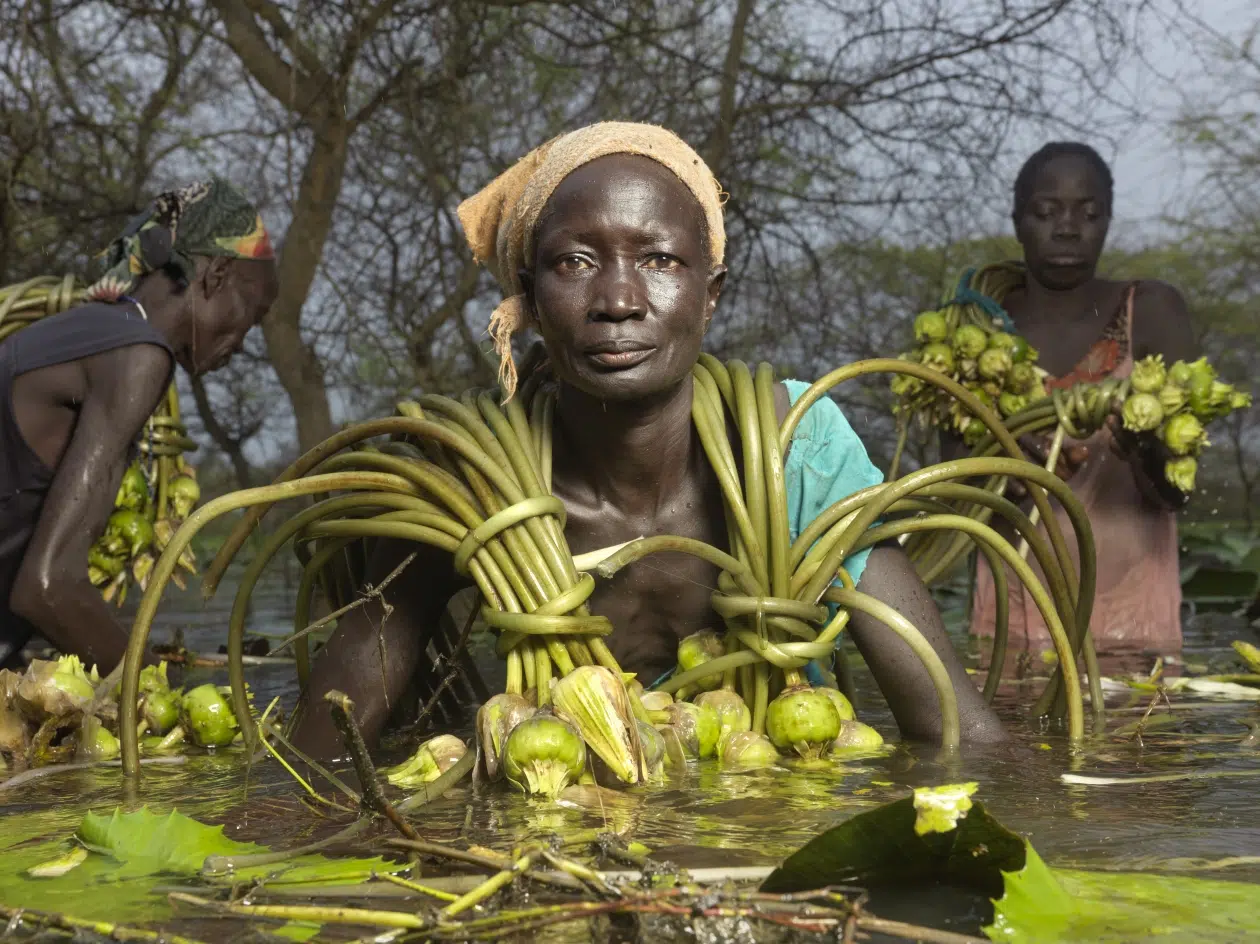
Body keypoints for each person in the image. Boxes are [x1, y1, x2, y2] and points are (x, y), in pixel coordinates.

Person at [290, 122, 1004, 758]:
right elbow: (317, 752)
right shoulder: (470, 484)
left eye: (659, 260)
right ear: (530, 298)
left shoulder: (795, 450)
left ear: (712, 292)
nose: (619, 302)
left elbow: (958, 734)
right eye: (575, 262)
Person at [1, 179, 279, 671]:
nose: (241, 342)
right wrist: (151, 691)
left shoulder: (90, 331)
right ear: (216, 274)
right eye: (251, 316)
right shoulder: (137, 357)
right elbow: (48, 587)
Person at [968, 142, 1198, 657]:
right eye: (1046, 212)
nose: (1067, 228)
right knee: (1004, 735)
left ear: (1108, 220)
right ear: (1018, 219)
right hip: (1012, 614)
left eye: (1088, 213)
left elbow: (1180, 489)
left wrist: (1143, 447)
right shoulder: (977, 330)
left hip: (1133, 618)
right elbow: (951, 491)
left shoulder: (1154, 312)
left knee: (1138, 735)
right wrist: (1004, 464)